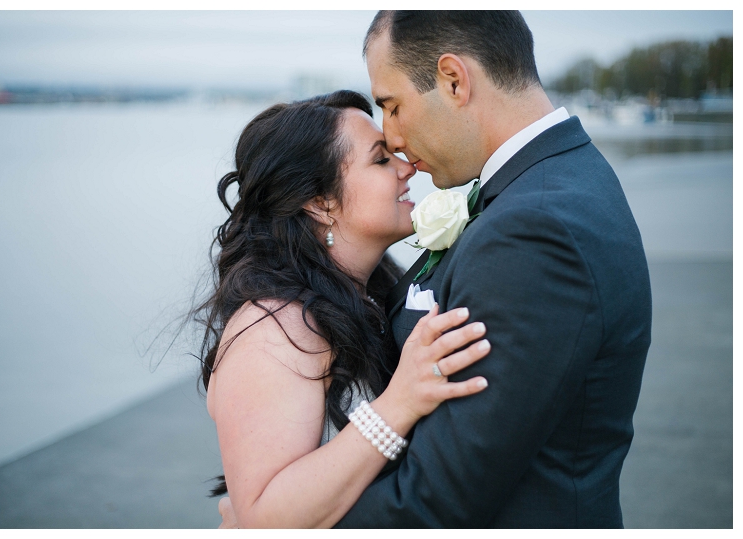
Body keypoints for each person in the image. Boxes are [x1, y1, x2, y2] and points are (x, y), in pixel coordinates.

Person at [328, 11, 652, 528]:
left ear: (454, 80)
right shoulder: (560, 177)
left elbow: (439, 497)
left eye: (392, 106)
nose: (389, 137)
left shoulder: (533, 229)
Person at [196, 90, 492, 528]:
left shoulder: (366, 292)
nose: (407, 167)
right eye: (380, 160)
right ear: (319, 201)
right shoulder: (275, 327)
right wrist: (399, 403)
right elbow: (263, 520)